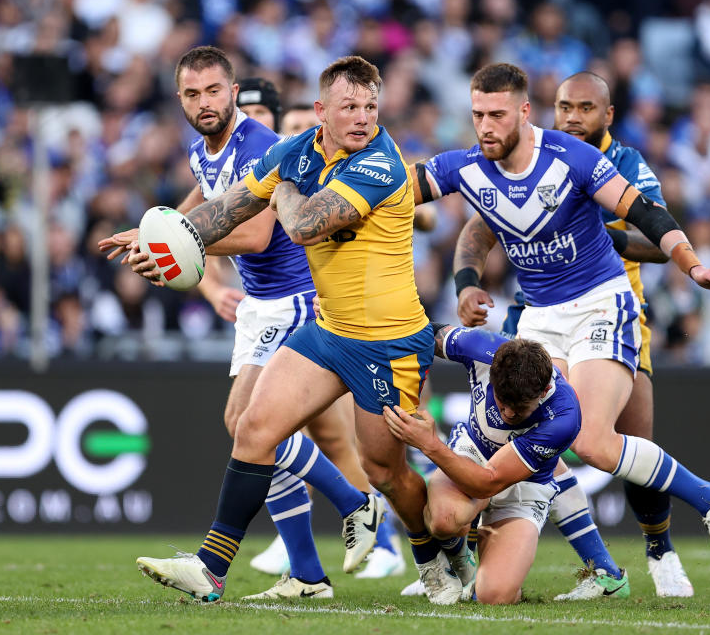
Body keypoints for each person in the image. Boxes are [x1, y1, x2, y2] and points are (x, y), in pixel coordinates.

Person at [125, 56, 464, 605]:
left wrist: (279, 181)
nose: (362, 118)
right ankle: (212, 569)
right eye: (349, 107)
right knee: (255, 428)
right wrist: (167, 244)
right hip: (328, 331)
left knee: (384, 469)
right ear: (320, 111)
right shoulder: (294, 152)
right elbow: (227, 211)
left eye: (371, 106)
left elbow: (303, 225)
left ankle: (432, 553)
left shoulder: (380, 162)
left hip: (388, 340)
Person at [413, 63, 710, 588]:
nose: (485, 127)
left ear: (524, 111)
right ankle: (603, 568)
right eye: (477, 115)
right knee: (539, 431)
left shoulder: (575, 158)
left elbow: (644, 211)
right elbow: (396, 192)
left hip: (600, 303)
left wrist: (692, 264)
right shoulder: (468, 167)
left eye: (497, 115)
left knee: (592, 440)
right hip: (541, 316)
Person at [99, 47, 383, 601]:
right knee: (251, 430)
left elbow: (255, 235)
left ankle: (351, 505)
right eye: (191, 94)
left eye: (213, 91)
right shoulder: (201, 149)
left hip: (297, 298)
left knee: (251, 424)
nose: (204, 103)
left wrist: (173, 244)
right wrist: (155, 233)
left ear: (234, 92)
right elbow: (203, 201)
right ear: (179, 98)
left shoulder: (262, 145)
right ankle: (307, 573)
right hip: (258, 305)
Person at [497, 71, 695, 597]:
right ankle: (595, 565)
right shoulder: (532, 154)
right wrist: (468, 280)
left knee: (626, 444)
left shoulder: (626, 164)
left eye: (586, 108)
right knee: (518, 435)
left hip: (613, 314)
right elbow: (481, 223)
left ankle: (660, 548)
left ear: (608, 115)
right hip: (537, 313)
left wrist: (591, 231)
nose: (572, 117)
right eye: (564, 106)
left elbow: (656, 238)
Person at [235, 77, 406, 581]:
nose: (267, 127)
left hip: (310, 306)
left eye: (368, 106)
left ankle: (374, 530)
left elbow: (269, 229)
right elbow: (205, 216)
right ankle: (314, 551)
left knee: (267, 427)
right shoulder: (234, 157)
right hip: (270, 309)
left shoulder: (338, 160)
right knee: (295, 434)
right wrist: (166, 240)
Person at [384, 324, 621, 604]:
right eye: (502, 402)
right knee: (444, 520)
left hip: (524, 486)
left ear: (544, 390)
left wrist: (430, 444)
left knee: (495, 595)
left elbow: (489, 481)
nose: (508, 413)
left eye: (519, 408)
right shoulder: (478, 346)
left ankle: (482, 567)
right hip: (472, 449)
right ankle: (459, 566)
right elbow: (417, 332)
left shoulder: (565, 416)